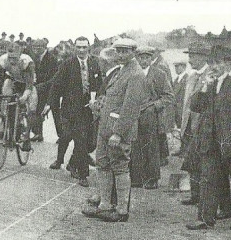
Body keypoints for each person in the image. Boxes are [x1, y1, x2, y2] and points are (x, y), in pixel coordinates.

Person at [186, 45, 231, 230]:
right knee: (207, 180)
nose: (213, 66)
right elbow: (194, 106)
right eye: (211, 62)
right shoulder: (208, 85)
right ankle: (205, 219)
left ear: (228, 63)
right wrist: (203, 87)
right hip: (210, 143)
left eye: (217, 62)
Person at [81, 38, 148, 222]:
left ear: (133, 52)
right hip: (105, 129)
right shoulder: (121, 70)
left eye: (125, 51)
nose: (121, 54)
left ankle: (121, 210)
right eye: (118, 51)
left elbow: (130, 107)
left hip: (118, 132)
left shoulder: (135, 74)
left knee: (119, 168)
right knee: (102, 164)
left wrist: (118, 133)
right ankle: (105, 204)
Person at [44, 37, 101, 187]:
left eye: (84, 47)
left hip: (87, 109)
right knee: (66, 136)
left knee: (81, 140)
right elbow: (56, 85)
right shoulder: (67, 64)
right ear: (75, 48)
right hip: (69, 108)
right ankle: (60, 159)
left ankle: (81, 173)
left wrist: (97, 100)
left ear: (89, 48)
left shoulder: (95, 63)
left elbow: (99, 84)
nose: (81, 50)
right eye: (79, 47)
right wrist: (49, 104)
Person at [130, 46, 174, 189]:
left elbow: (168, 96)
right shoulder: (132, 73)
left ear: (151, 58)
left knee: (151, 146)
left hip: (151, 116)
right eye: (141, 57)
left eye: (147, 57)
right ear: (137, 58)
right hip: (134, 114)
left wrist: (155, 106)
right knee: (135, 145)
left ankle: (152, 178)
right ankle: (136, 177)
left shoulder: (159, 74)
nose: (144, 60)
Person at [0, 42, 37, 152]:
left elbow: (29, 83)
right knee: (5, 98)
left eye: (15, 58)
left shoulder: (27, 62)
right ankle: (5, 125)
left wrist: (25, 96)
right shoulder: (2, 60)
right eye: (10, 57)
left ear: (20, 55)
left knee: (32, 108)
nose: (12, 61)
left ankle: (27, 136)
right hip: (13, 81)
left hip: (28, 84)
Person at [178, 42, 212, 206]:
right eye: (190, 56)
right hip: (189, 125)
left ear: (203, 57)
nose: (190, 60)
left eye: (193, 56)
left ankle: (204, 197)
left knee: (203, 162)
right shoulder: (191, 76)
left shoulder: (210, 75)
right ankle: (195, 195)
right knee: (190, 161)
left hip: (203, 127)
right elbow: (186, 103)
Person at [32, 38, 59, 142]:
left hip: (52, 89)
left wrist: (43, 85)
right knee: (38, 110)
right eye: (34, 48)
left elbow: (54, 77)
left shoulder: (52, 59)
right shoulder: (35, 58)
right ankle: (38, 133)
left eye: (37, 48)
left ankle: (61, 135)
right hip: (40, 88)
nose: (35, 50)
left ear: (44, 48)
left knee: (56, 112)